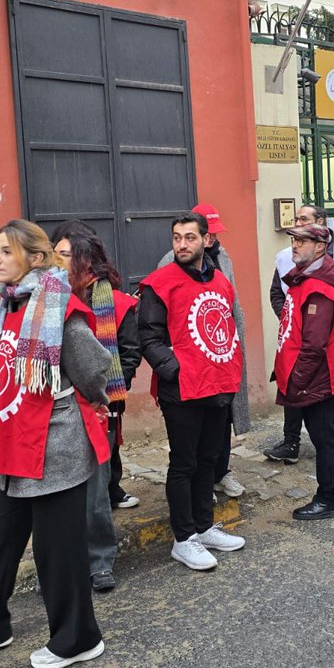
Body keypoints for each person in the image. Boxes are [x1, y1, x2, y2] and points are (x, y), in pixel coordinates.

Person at [0, 220, 111, 668]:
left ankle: (78, 639)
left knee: (59, 550)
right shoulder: (11, 305)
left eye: (4, 251)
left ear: (35, 259)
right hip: (14, 441)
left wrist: (85, 399)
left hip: (55, 447)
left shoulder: (60, 308)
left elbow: (95, 367)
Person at [140, 212, 247, 571]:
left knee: (209, 459)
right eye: (176, 238)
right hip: (182, 391)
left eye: (189, 237)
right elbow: (148, 338)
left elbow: (228, 327)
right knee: (184, 464)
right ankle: (183, 538)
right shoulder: (159, 284)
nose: (182, 244)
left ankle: (204, 526)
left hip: (217, 385)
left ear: (206, 240)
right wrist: (175, 370)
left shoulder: (219, 280)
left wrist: (229, 371)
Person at [50, 224, 141, 593]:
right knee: (56, 497)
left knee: (95, 492)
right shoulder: (46, 300)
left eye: (65, 254)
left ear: (87, 260)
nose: (57, 261)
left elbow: (130, 355)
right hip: (54, 411)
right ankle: (60, 563)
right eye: (54, 253)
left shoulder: (117, 304)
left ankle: (100, 561)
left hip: (95, 409)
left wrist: (107, 393)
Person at [157, 203, 249, 499]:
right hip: (191, 366)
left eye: (207, 236)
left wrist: (235, 348)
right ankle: (200, 484)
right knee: (191, 436)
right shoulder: (169, 263)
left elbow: (232, 304)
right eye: (179, 237)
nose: (209, 240)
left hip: (222, 357)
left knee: (222, 424)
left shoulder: (223, 259)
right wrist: (174, 364)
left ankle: (220, 472)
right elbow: (158, 322)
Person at [265, 203, 334, 469]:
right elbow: (277, 293)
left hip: (325, 352)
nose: (299, 225)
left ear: (321, 225)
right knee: (295, 396)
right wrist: (292, 319)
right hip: (298, 344)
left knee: (326, 419)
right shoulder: (288, 258)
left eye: (305, 221)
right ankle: (290, 442)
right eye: (296, 220)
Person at [274, 224, 334, 519]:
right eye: (294, 240)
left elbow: (314, 345)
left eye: (302, 241)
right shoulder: (306, 279)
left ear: (319, 247)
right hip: (319, 375)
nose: (294, 245)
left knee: (324, 439)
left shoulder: (317, 289)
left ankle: (329, 498)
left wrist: (296, 381)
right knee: (329, 437)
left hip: (317, 378)